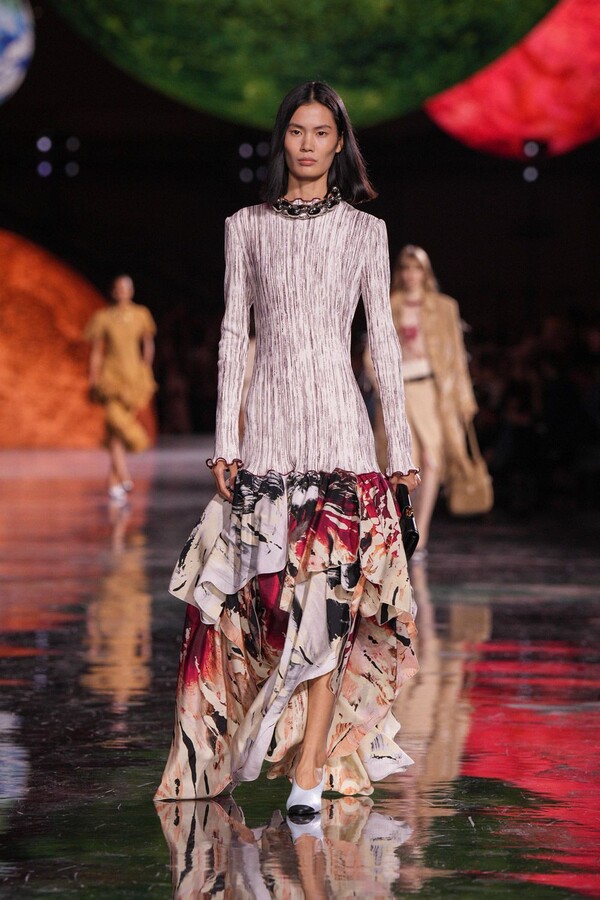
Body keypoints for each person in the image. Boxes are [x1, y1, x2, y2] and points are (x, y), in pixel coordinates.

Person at [154, 82, 421, 821]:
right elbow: (232, 335)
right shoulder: (246, 227)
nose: (307, 144)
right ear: (283, 142)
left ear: (340, 144)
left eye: (321, 132)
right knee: (266, 603)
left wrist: (399, 450)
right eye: (296, 131)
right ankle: (266, 739)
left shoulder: (366, 232)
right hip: (268, 432)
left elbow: (383, 343)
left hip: (341, 429)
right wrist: (225, 438)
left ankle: (309, 769)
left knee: (328, 602)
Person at [368, 246, 477, 555]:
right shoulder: (390, 304)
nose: (411, 274)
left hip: (431, 393)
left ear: (425, 272)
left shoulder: (444, 307)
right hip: (399, 392)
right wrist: (381, 384)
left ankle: (421, 532)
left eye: (416, 268)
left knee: (432, 460)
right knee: (406, 465)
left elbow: (456, 357)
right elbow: (373, 350)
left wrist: (464, 399)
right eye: (406, 268)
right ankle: (406, 527)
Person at [85, 275, 157, 503]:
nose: (122, 292)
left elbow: (148, 343)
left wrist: (145, 368)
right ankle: (125, 474)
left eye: (126, 288)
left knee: (115, 432)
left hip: (133, 375)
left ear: (131, 291)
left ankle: (114, 482)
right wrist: (93, 376)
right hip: (111, 376)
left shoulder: (141, 314)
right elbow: (97, 350)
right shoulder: (104, 317)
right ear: (113, 291)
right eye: (118, 288)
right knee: (115, 421)